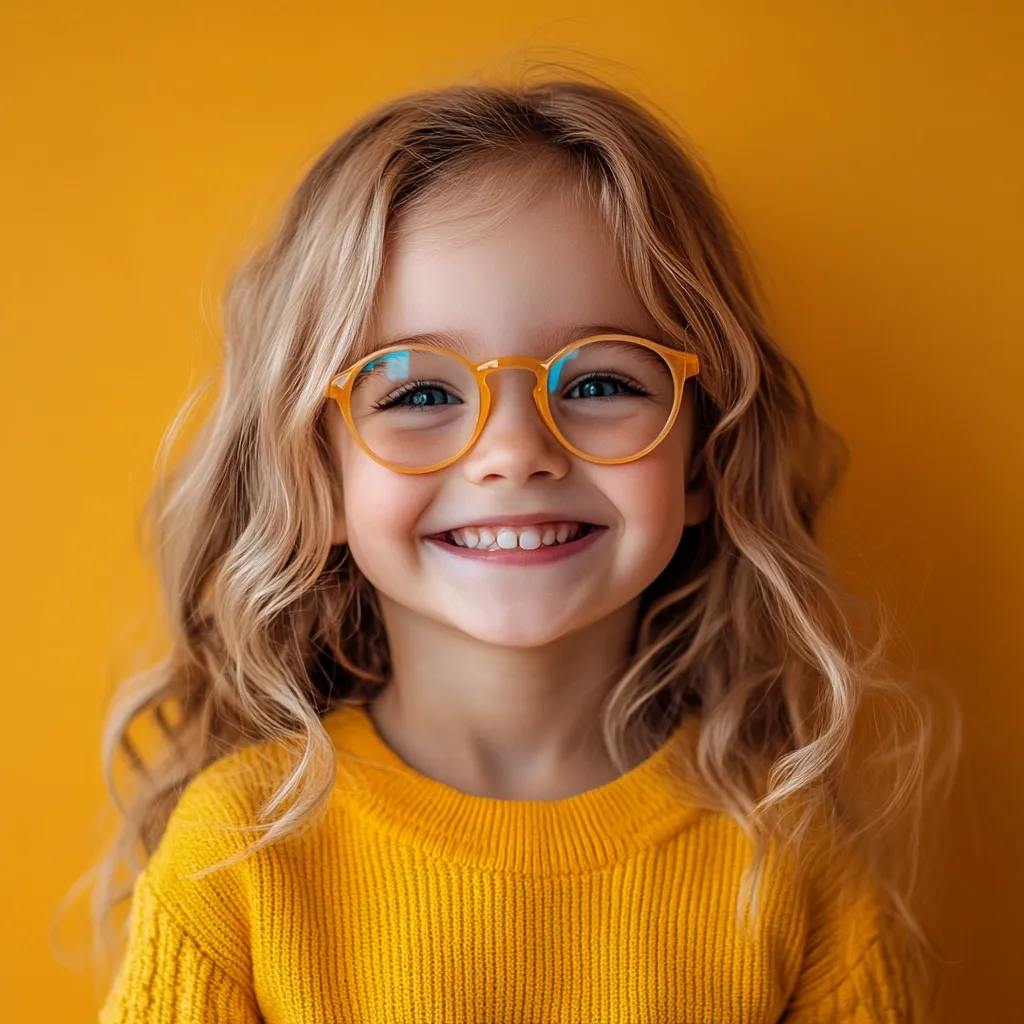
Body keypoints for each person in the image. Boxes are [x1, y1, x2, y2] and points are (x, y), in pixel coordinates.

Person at [95, 74, 954, 1023]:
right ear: (319, 478)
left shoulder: (791, 863)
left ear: (704, 458)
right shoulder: (239, 856)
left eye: (597, 382)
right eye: (420, 394)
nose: (514, 452)